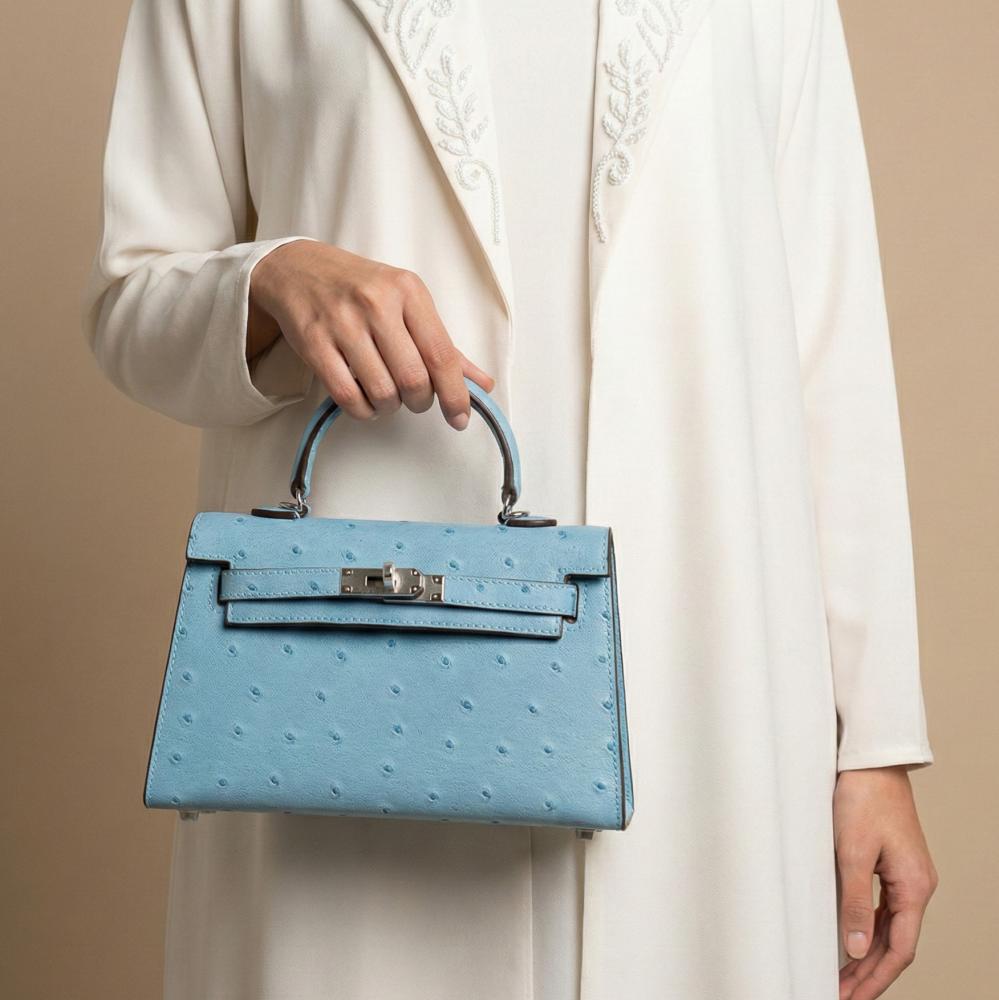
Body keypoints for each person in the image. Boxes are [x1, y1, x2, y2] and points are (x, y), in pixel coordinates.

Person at [81, 1, 938, 998]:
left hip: (700, 672)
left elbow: (830, 354)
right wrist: (272, 280)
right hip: (350, 679)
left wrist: (873, 746)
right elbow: (130, 301)